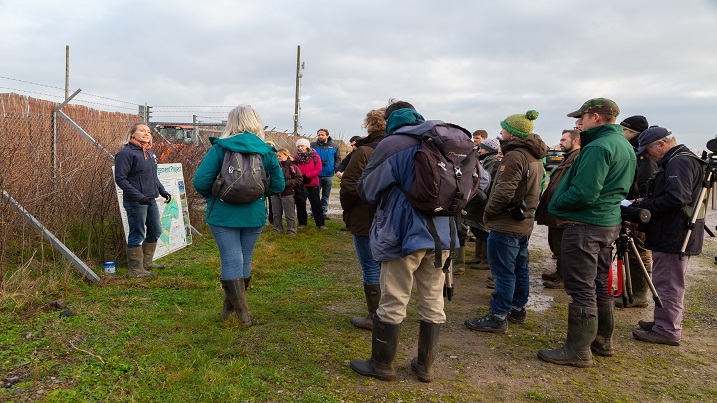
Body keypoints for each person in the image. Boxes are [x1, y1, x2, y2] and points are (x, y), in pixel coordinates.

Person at [349, 100, 455, 383]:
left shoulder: (392, 145)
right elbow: (480, 183)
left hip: (403, 233)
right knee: (433, 298)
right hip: (442, 235)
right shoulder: (445, 141)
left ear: (390, 119)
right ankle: (425, 366)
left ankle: (382, 364)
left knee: (394, 297)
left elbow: (368, 188)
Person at [537, 98, 635, 367]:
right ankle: (603, 340)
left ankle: (578, 349)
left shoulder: (598, 146)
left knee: (581, 286)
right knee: (600, 282)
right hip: (607, 223)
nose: (578, 122)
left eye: (582, 117)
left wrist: (556, 203)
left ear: (595, 117)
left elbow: (585, 192)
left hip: (585, 224)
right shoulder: (623, 145)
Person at [192, 105, 285, 326]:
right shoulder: (266, 150)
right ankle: (231, 311)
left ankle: (241, 313)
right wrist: (258, 194)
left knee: (231, 258)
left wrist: (214, 196)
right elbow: (279, 184)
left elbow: (200, 182)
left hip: (223, 214)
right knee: (244, 258)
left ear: (231, 122)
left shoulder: (220, 148)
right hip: (253, 213)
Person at [464, 111, 547, 333]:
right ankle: (517, 308)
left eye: (503, 128)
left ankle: (498, 315)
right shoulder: (534, 156)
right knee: (520, 268)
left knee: (503, 271)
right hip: (523, 220)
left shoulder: (515, 156)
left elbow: (503, 191)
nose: (500, 132)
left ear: (513, 132)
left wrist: (488, 214)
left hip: (507, 223)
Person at [631, 126, 705, 346]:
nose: (646, 155)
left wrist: (645, 205)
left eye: (648, 149)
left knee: (669, 282)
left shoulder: (679, 162)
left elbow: (676, 198)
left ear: (661, 144)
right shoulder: (681, 159)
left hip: (675, 233)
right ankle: (661, 322)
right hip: (674, 231)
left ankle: (667, 329)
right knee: (664, 280)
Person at [340, 109, 387, 331]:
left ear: (369, 125)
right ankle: (391, 312)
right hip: (394, 216)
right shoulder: (405, 147)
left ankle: (375, 316)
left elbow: (349, 185)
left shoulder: (365, 151)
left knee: (370, 265)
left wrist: (349, 210)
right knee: (390, 266)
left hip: (365, 214)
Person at [114, 122, 172, 278]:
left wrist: (162, 191)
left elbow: (153, 177)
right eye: (142, 131)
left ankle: (146, 263)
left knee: (156, 230)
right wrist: (138, 196)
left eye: (148, 131)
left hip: (150, 199)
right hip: (136, 200)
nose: (147, 133)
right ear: (132, 134)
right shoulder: (126, 153)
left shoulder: (149, 153)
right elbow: (120, 179)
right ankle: (135, 270)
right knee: (137, 232)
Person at [618, 115, 657, 308]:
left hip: (639, 210)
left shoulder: (645, 159)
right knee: (633, 252)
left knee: (639, 252)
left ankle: (639, 294)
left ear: (633, 133)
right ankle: (630, 290)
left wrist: (635, 204)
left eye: (623, 129)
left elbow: (645, 188)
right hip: (631, 207)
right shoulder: (633, 151)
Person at [536, 129, 581, 289]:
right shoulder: (568, 158)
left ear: (575, 141)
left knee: (563, 247)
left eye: (563, 140)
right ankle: (560, 273)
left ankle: (564, 278)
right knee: (556, 244)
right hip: (556, 211)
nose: (560, 143)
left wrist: (561, 202)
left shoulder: (577, 158)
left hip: (564, 213)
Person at [464, 136, 500, 270]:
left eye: (484, 147)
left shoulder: (492, 161)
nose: (480, 149)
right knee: (476, 228)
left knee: (483, 230)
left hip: (482, 198)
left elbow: (486, 180)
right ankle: (478, 256)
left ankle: (486, 260)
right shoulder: (484, 159)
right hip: (478, 198)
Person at [294, 138, 327, 230]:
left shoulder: (315, 157)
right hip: (300, 184)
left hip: (312, 184)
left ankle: (320, 223)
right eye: (298, 146)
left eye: (302, 146)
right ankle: (302, 222)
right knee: (300, 204)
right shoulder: (295, 158)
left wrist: (307, 176)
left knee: (316, 204)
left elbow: (318, 170)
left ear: (307, 146)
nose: (300, 148)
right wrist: (300, 177)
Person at [270, 148, 302, 236]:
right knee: (276, 214)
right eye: (276, 156)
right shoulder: (273, 166)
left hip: (288, 193)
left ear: (286, 156)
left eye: (280, 156)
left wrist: (285, 183)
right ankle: (277, 230)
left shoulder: (293, 167)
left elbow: (299, 179)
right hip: (275, 194)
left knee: (289, 214)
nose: (278, 157)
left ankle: (291, 231)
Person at [311, 128, 341, 219]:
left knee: (325, 196)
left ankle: (323, 212)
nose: (320, 136)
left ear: (327, 136)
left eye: (322, 135)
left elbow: (338, 159)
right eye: (319, 135)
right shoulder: (312, 145)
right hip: (316, 175)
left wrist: (336, 169)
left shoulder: (335, 146)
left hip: (329, 174)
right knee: (315, 196)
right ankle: (314, 213)